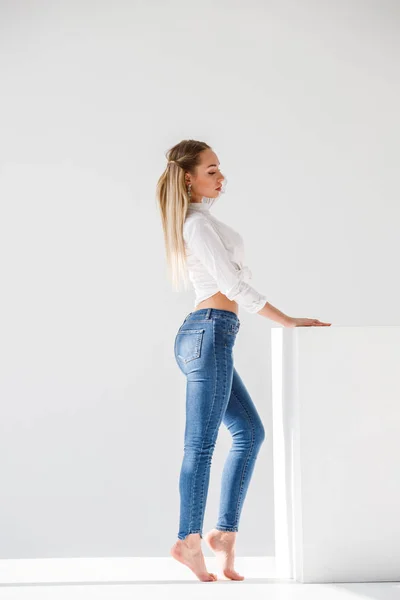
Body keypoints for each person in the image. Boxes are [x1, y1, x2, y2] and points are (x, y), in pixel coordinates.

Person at [155, 139, 331, 582]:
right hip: (209, 332)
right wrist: (285, 319)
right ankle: (188, 539)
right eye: (211, 170)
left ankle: (224, 535)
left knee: (249, 432)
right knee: (200, 445)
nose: (221, 176)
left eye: (219, 169)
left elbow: (229, 282)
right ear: (189, 178)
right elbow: (232, 285)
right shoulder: (195, 225)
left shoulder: (204, 222)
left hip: (212, 334)